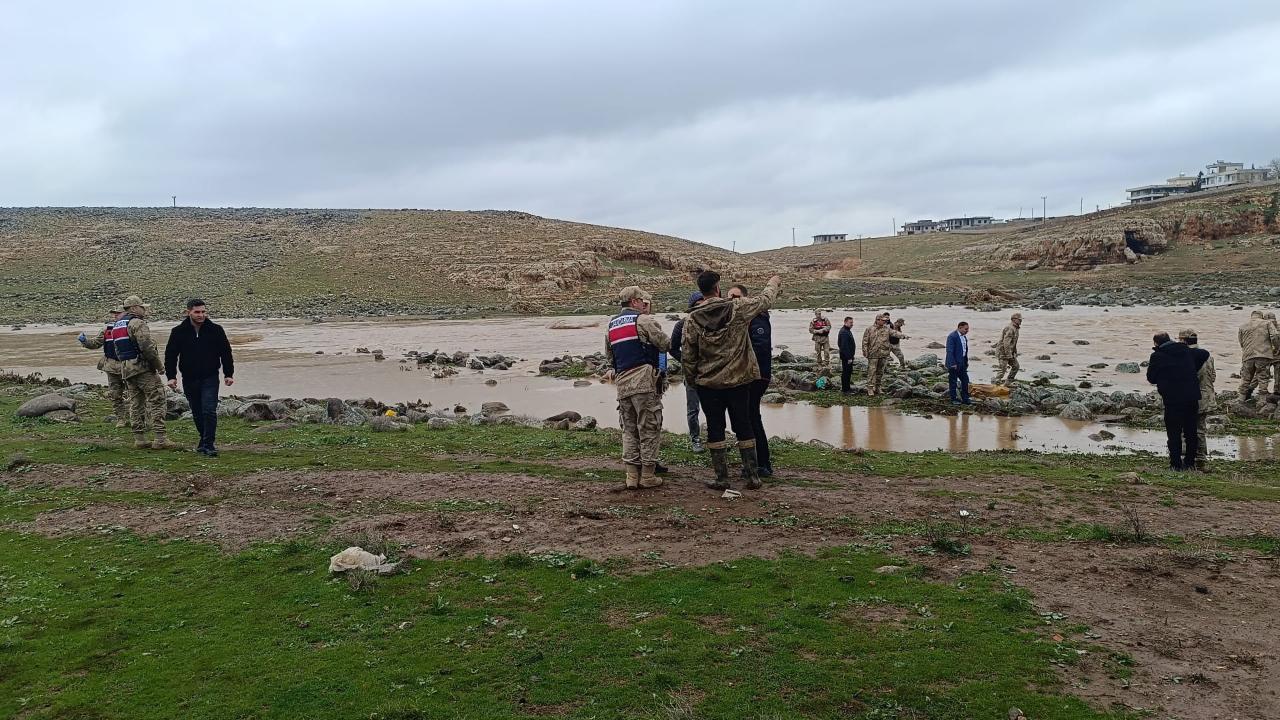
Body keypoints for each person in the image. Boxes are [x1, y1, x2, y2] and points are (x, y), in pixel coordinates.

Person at [682, 271, 782, 491]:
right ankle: (753, 477)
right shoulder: (737, 308)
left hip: (708, 385)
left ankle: (722, 478)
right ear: (718, 288)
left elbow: (688, 355)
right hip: (738, 382)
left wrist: (692, 382)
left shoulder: (692, 319)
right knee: (744, 425)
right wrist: (772, 281)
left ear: (702, 291)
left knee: (715, 429)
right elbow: (765, 300)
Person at [604, 286, 670, 490]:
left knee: (629, 429)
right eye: (642, 300)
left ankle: (631, 477)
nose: (644, 304)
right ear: (634, 302)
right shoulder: (643, 320)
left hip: (623, 384)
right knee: (649, 427)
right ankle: (648, 476)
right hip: (644, 382)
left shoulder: (611, 326)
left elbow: (610, 358)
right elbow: (665, 343)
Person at [164, 298, 236, 457]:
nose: (201, 315)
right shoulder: (178, 331)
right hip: (189, 377)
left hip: (210, 376)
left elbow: (226, 352)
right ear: (188, 312)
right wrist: (171, 376)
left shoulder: (216, 330)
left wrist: (228, 374)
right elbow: (171, 355)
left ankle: (209, 444)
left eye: (203, 311)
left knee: (209, 410)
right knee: (196, 411)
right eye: (197, 312)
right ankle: (203, 439)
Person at [113, 295, 171, 448]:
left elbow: (117, 350)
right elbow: (147, 348)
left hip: (126, 369)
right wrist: (159, 366)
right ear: (134, 308)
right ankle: (160, 439)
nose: (144, 309)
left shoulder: (117, 325)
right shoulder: (137, 323)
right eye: (142, 307)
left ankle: (139, 438)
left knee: (136, 403)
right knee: (157, 399)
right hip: (142, 368)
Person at [728, 284, 774, 477]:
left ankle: (762, 464)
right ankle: (756, 461)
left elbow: (760, 348)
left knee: (751, 418)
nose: (733, 300)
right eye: (729, 297)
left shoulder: (756, 318)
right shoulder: (738, 318)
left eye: (736, 296)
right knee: (746, 418)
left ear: (746, 298)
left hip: (755, 376)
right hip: (744, 376)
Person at [1147, 331, 1201, 471]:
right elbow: (1204, 354)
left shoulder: (1157, 356)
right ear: (1170, 339)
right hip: (1191, 396)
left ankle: (1175, 464)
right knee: (1191, 432)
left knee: (1174, 433)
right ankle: (1190, 463)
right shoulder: (1185, 350)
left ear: (1156, 343)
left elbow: (1151, 378)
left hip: (1172, 399)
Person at [78, 310, 130, 427]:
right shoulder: (107, 329)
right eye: (114, 313)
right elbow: (96, 343)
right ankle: (121, 419)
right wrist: (85, 341)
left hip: (129, 366)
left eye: (118, 313)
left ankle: (139, 418)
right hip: (111, 367)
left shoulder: (131, 326)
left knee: (135, 393)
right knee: (115, 395)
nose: (115, 315)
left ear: (126, 313)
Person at [668, 292, 705, 453]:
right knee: (693, 409)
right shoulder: (681, 325)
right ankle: (695, 439)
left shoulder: (712, 322)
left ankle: (716, 438)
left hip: (713, 372)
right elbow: (672, 348)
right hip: (691, 374)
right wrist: (686, 360)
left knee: (715, 407)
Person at [1178, 329, 1214, 471]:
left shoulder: (1185, 356)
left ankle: (1185, 458)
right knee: (1200, 430)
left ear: (1183, 340)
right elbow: (1213, 376)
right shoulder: (1208, 355)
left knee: (1184, 430)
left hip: (1190, 398)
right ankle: (1201, 460)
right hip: (1206, 397)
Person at [1237, 310, 1277, 401]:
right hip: (1263, 354)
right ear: (1261, 316)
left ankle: (1241, 399)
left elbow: (1241, 341)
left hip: (1248, 355)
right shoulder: (1267, 323)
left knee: (1245, 378)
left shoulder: (1243, 326)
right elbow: (1274, 336)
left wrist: (1246, 349)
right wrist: (1276, 347)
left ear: (1252, 316)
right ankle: (1262, 401)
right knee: (1263, 377)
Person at [861, 315, 891, 396]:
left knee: (880, 371)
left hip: (883, 353)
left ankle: (878, 387)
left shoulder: (886, 329)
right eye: (883, 320)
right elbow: (865, 342)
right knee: (872, 371)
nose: (884, 322)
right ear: (877, 320)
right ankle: (870, 388)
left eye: (885, 320)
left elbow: (894, 333)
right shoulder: (869, 329)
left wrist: (903, 336)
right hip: (873, 354)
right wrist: (865, 352)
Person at [945, 321, 972, 405]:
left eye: (968, 329)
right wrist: (953, 363)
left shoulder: (964, 337)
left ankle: (965, 398)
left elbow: (964, 350)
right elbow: (949, 351)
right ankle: (953, 399)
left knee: (965, 380)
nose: (967, 331)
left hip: (962, 363)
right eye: (966, 329)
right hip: (954, 363)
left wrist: (966, 362)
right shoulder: (952, 336)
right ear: (960, 327)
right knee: (953, 381)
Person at [992, 312, 1023, 385]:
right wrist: (1008, 355)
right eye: (1019, 320)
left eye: (1021, 320)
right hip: (1003, 352)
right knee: (1002, 369)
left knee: (1016, 366)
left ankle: (1008, 382)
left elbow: (1014, 343)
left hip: (1010, 352)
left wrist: (1014, 352)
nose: (1021, 321)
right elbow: (1006, 343)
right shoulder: (1010, 328)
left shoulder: (1016, 328)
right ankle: (996, 383)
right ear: (1013, 319)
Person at [837, 316, 857, 394]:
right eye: (850, 323)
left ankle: (847, 388)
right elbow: (844, 346)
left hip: (848, 356)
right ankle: (845, 390)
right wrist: (849, 357)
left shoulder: (847, 330)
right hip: (846, 357)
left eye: (852, 322)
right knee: (846, 373)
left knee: (848, 372)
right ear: (845, 322)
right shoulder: (844, 332)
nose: (852, 324)